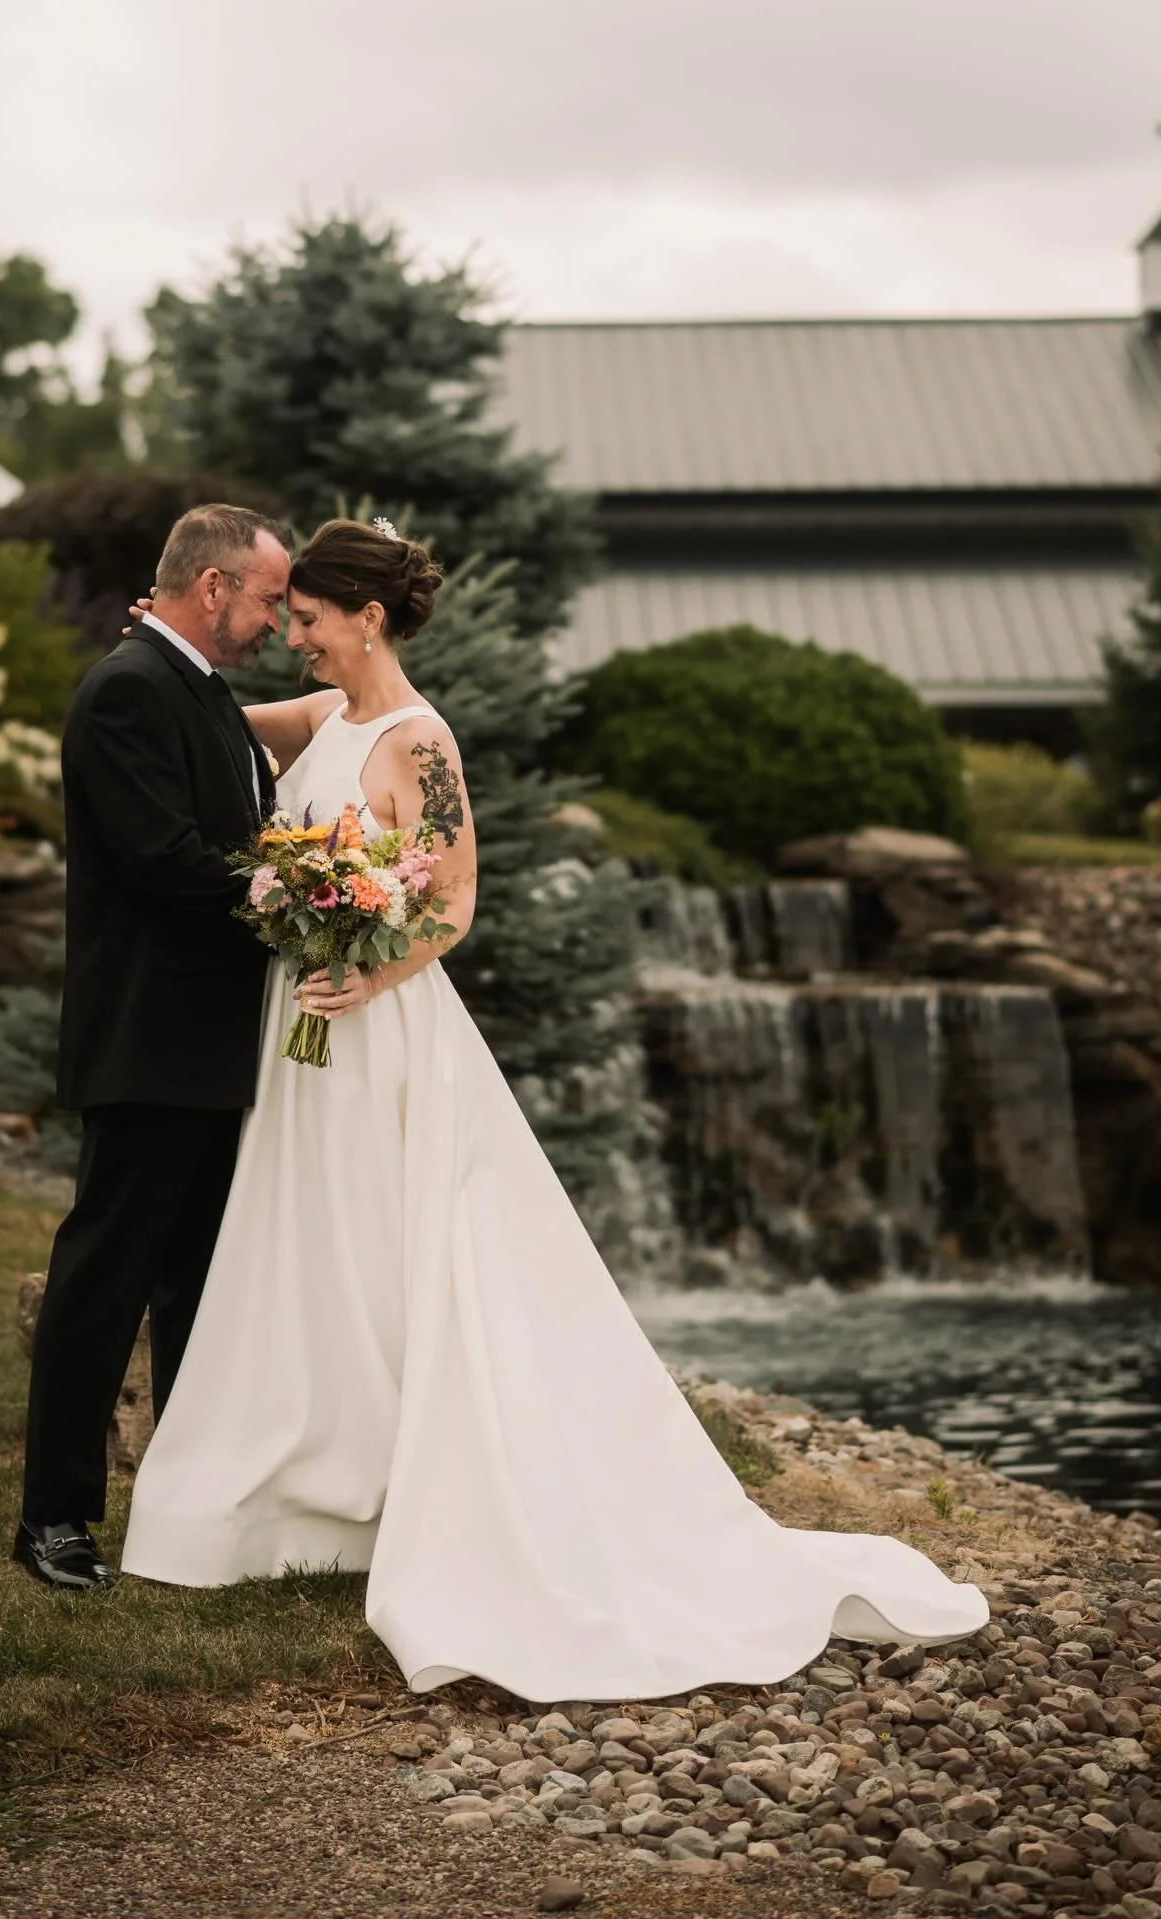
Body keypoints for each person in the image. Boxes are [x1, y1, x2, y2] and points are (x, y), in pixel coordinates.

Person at [118, 516, 989, 1700]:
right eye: (293, 619)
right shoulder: (328, 719)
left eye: (313, 622)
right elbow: (213, 721)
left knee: (396, 1246)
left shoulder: (421, 744)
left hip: (377, 1024)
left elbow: (456, 898)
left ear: (366, 617)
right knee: (313, 1246)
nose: (300, 641)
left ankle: (412, 1482)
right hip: (306, 1032)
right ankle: (313, 1479)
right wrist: (159, 648)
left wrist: (366, 965)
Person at [15, 504, 292, 1590]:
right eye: (270, 597)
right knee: (105, 1279)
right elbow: (164, 859)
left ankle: (182, 1506)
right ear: (214, 587)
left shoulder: (203, 691)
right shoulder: (128, 689)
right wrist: (291, 892)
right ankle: (53, 1519)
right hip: (148, 1038)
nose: (276, 618)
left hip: (213, 1042)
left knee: (195, 1287)